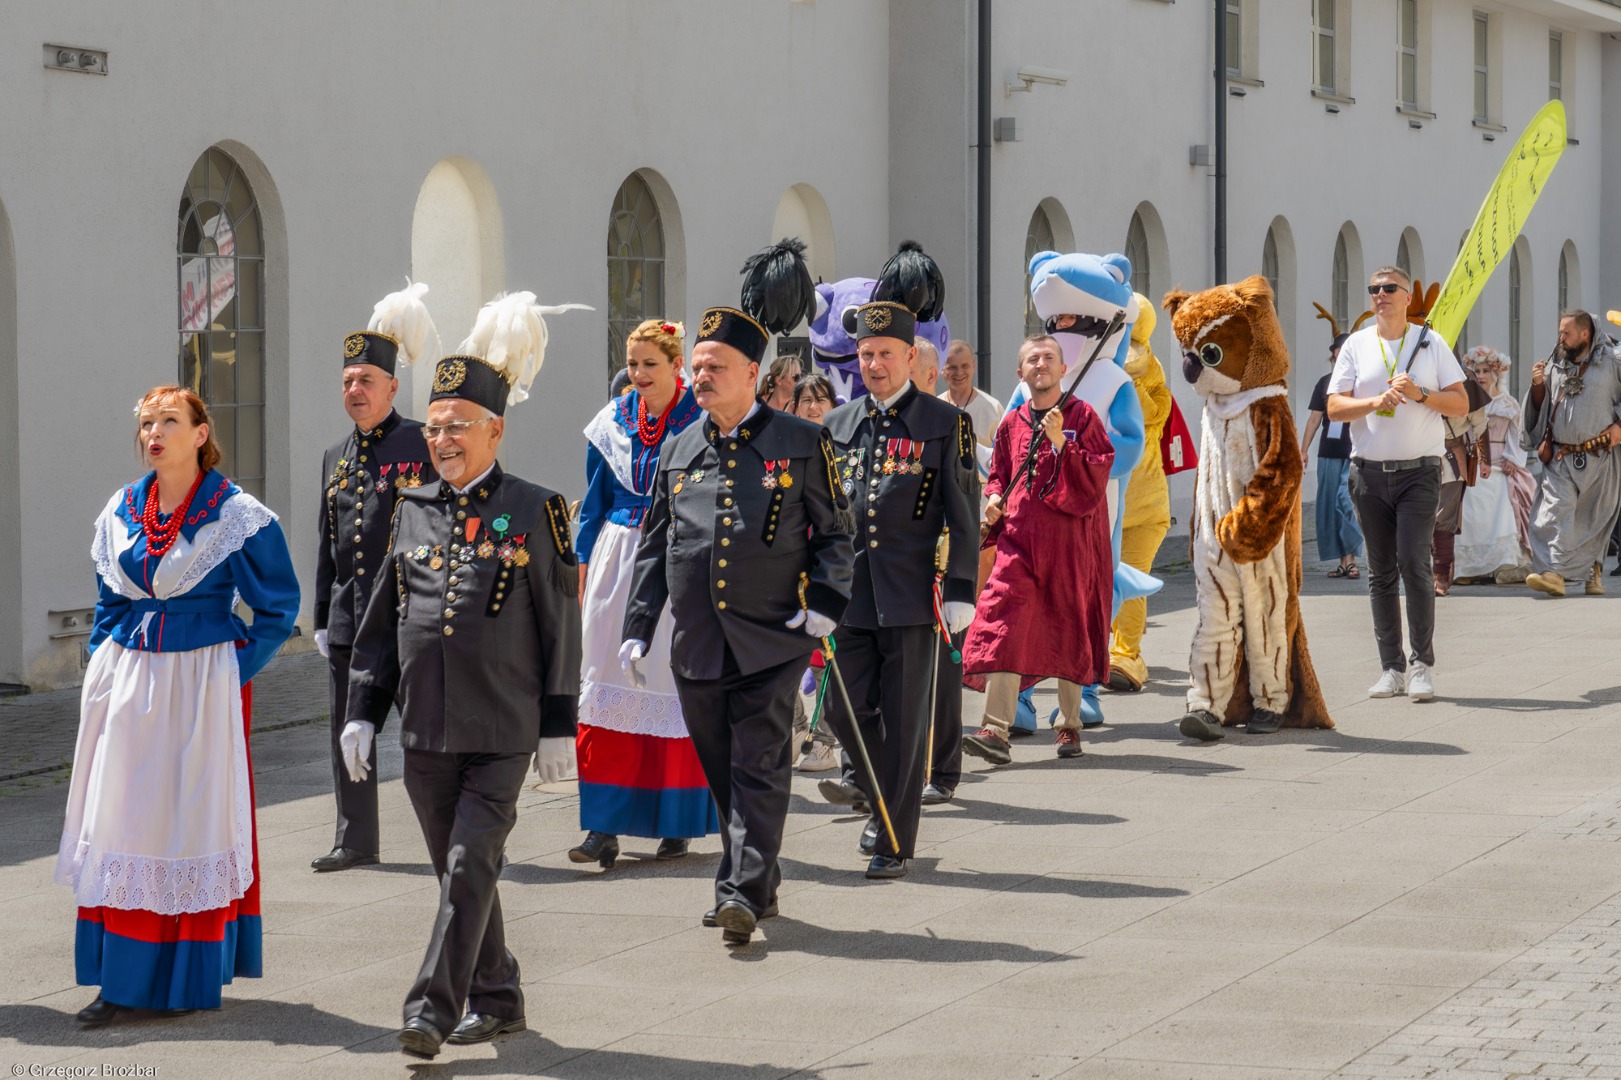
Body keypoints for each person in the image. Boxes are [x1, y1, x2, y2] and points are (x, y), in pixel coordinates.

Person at [346, 292, 586, 1058]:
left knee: (467, 862)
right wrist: (361, 709)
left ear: (495, 429)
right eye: (436, 427)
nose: (443, 440)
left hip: (501, 728)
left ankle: (429, 1008)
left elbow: (559, 624)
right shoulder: (410, 507)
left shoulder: (534, 510)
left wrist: (558, 723)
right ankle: (501, 993)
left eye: (459, 427)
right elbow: (383, 622)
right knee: (461, 875)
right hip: (425, 729)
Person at [623, 239, 853, 944]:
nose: (700, 379)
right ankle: (757, 876)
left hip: (772, 636)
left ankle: (740, 891)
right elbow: (657, 541)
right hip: (697, 643)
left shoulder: (799, 442)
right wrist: (639, 621)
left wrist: (824, 605)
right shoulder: (678, 449)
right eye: (695, 368)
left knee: (757, 764)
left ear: (751, 373)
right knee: (724, 771)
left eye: (714, 369)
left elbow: (836, 535)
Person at [59, 386, 299, 1025]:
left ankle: (183, 979)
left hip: (200, 685)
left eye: (169, 420)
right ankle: (120, 981)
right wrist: (102, 667)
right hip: (127, 685)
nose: (154, 433)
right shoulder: (122, 509)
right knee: (121, 819)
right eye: (146, 423)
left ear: (200, 432)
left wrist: (230, 672)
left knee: (187, 821)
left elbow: (278, 606)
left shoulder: (236, 513)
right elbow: (110, 600)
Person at [819, 242, 979, 878]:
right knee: (841, 707)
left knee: (906, 721)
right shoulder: (835, 425)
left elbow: (963, 512)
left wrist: (962, 588)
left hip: (912, 595)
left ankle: (891, 836)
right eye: (865, 354)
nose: (874, 364)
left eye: (885, 354)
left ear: (911, 357)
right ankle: (866, 784)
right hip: (848, 595)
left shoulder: (943, 424)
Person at [570, 319, 715, 870]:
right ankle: (601, 827)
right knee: (603, 679)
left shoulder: (700, 421)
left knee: (668, 684)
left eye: (650, 364)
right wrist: (583, 567)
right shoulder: (612, 422)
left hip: (676, 558)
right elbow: (594, 501)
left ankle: (673, 824)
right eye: (632, 365)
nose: (639, 375)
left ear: (676, 366)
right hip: (616, 559)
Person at [311, 283, 439, 874]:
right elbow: (326, 543)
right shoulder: (334, 454)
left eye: (365, 381)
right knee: (346, 733)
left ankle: (460, 831)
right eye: (346, 382)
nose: (354, 391)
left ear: (392, 386)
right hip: (349, 616)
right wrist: (319, 616)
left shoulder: (422, 443)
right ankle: (355, 838)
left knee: (428, 735)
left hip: (408, 614)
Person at [961, 335, 1115, 763]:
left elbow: (1097, 474)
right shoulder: (1011, 423)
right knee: (1002, 622)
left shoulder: (1082, 416)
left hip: (1067, 545)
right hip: (1018, 543)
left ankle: (1069, 726)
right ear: (1021, 373)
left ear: (1063, 369)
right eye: (1032, 359)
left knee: (1068, 627)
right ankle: (995, 729)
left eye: (1049, 357)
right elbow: (1000, 476)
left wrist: (1063, 442)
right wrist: (992, 498)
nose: (1041, 364)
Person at [1326, 266, 1469, 702]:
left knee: (1414, 561)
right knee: (1380, 571)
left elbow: (1460, 403)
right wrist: (1374, 401)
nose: (1380, 295)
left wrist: (1420, 394)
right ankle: (1391, 668)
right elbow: (1334, 407)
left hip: (1420, 472)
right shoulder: (1357, 344)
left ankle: (1421, 664)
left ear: (1408, 297)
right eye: (1374, 289)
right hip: (1368, 473)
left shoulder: (1431, 342)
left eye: (1390, 289)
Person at [1522, 310, 1621, 598]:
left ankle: (1594, 569)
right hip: (1561, 457)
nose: (1560, 338)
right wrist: (1538, 386)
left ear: (1585, 334)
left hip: (1601, 456)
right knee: (1556, 511)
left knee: (1594, 517)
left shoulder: (1613, 362)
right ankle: (1554, 573)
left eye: (1566, 333)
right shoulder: (1555, 364)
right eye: (1560, 332)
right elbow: (1543, 406)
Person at [1108, 293, 1173, 693]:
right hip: (1104, 505)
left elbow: (1153, 413)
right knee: (1099, 583)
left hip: (1146, 509)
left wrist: (1134, 377)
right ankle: (1099, 651)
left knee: (1131, 579)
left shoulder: (1154, 379)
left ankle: (1126, 655)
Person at [788, 370, 842, 773]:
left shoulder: (842, 447)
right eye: (805, 399)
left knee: (826, 657)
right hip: (787, 567)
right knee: (786, 654)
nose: (812, 406)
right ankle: (793, 729)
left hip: (827, 566)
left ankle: (824, 740)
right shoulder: (783, 449)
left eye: (820, 399)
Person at [1454, 346, 1532, 584]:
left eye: (1486, 370)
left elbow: (1518, 437)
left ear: (1497, 373)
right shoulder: (1467, 401)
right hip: (1472, 465)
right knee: (1466, 505)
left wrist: (1512, 460)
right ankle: (1469, 568)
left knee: (1502, 498)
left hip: (1499, 466)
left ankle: (1502, 563)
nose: (1481, 375)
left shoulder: (1507, 404)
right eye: (1477, 370)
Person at [1300, 333, 1363, 579]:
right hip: (1327, 453)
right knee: (1329, 507)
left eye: (1342, 358)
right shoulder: (1324, 383)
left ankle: (1351, 556)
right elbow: (1315, 418)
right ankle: (1343, 561)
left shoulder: (1361, 383)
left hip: (1355, 452)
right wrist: (1303, 450)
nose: (1338, 363)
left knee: (1347, 502)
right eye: (1335, 359)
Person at [939, 338, 1003, 449]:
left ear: (974, 365)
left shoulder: (993, 408)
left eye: (965, 366)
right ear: (942, 369)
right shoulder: (935, 407)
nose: (959, 373)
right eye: (952, 367)